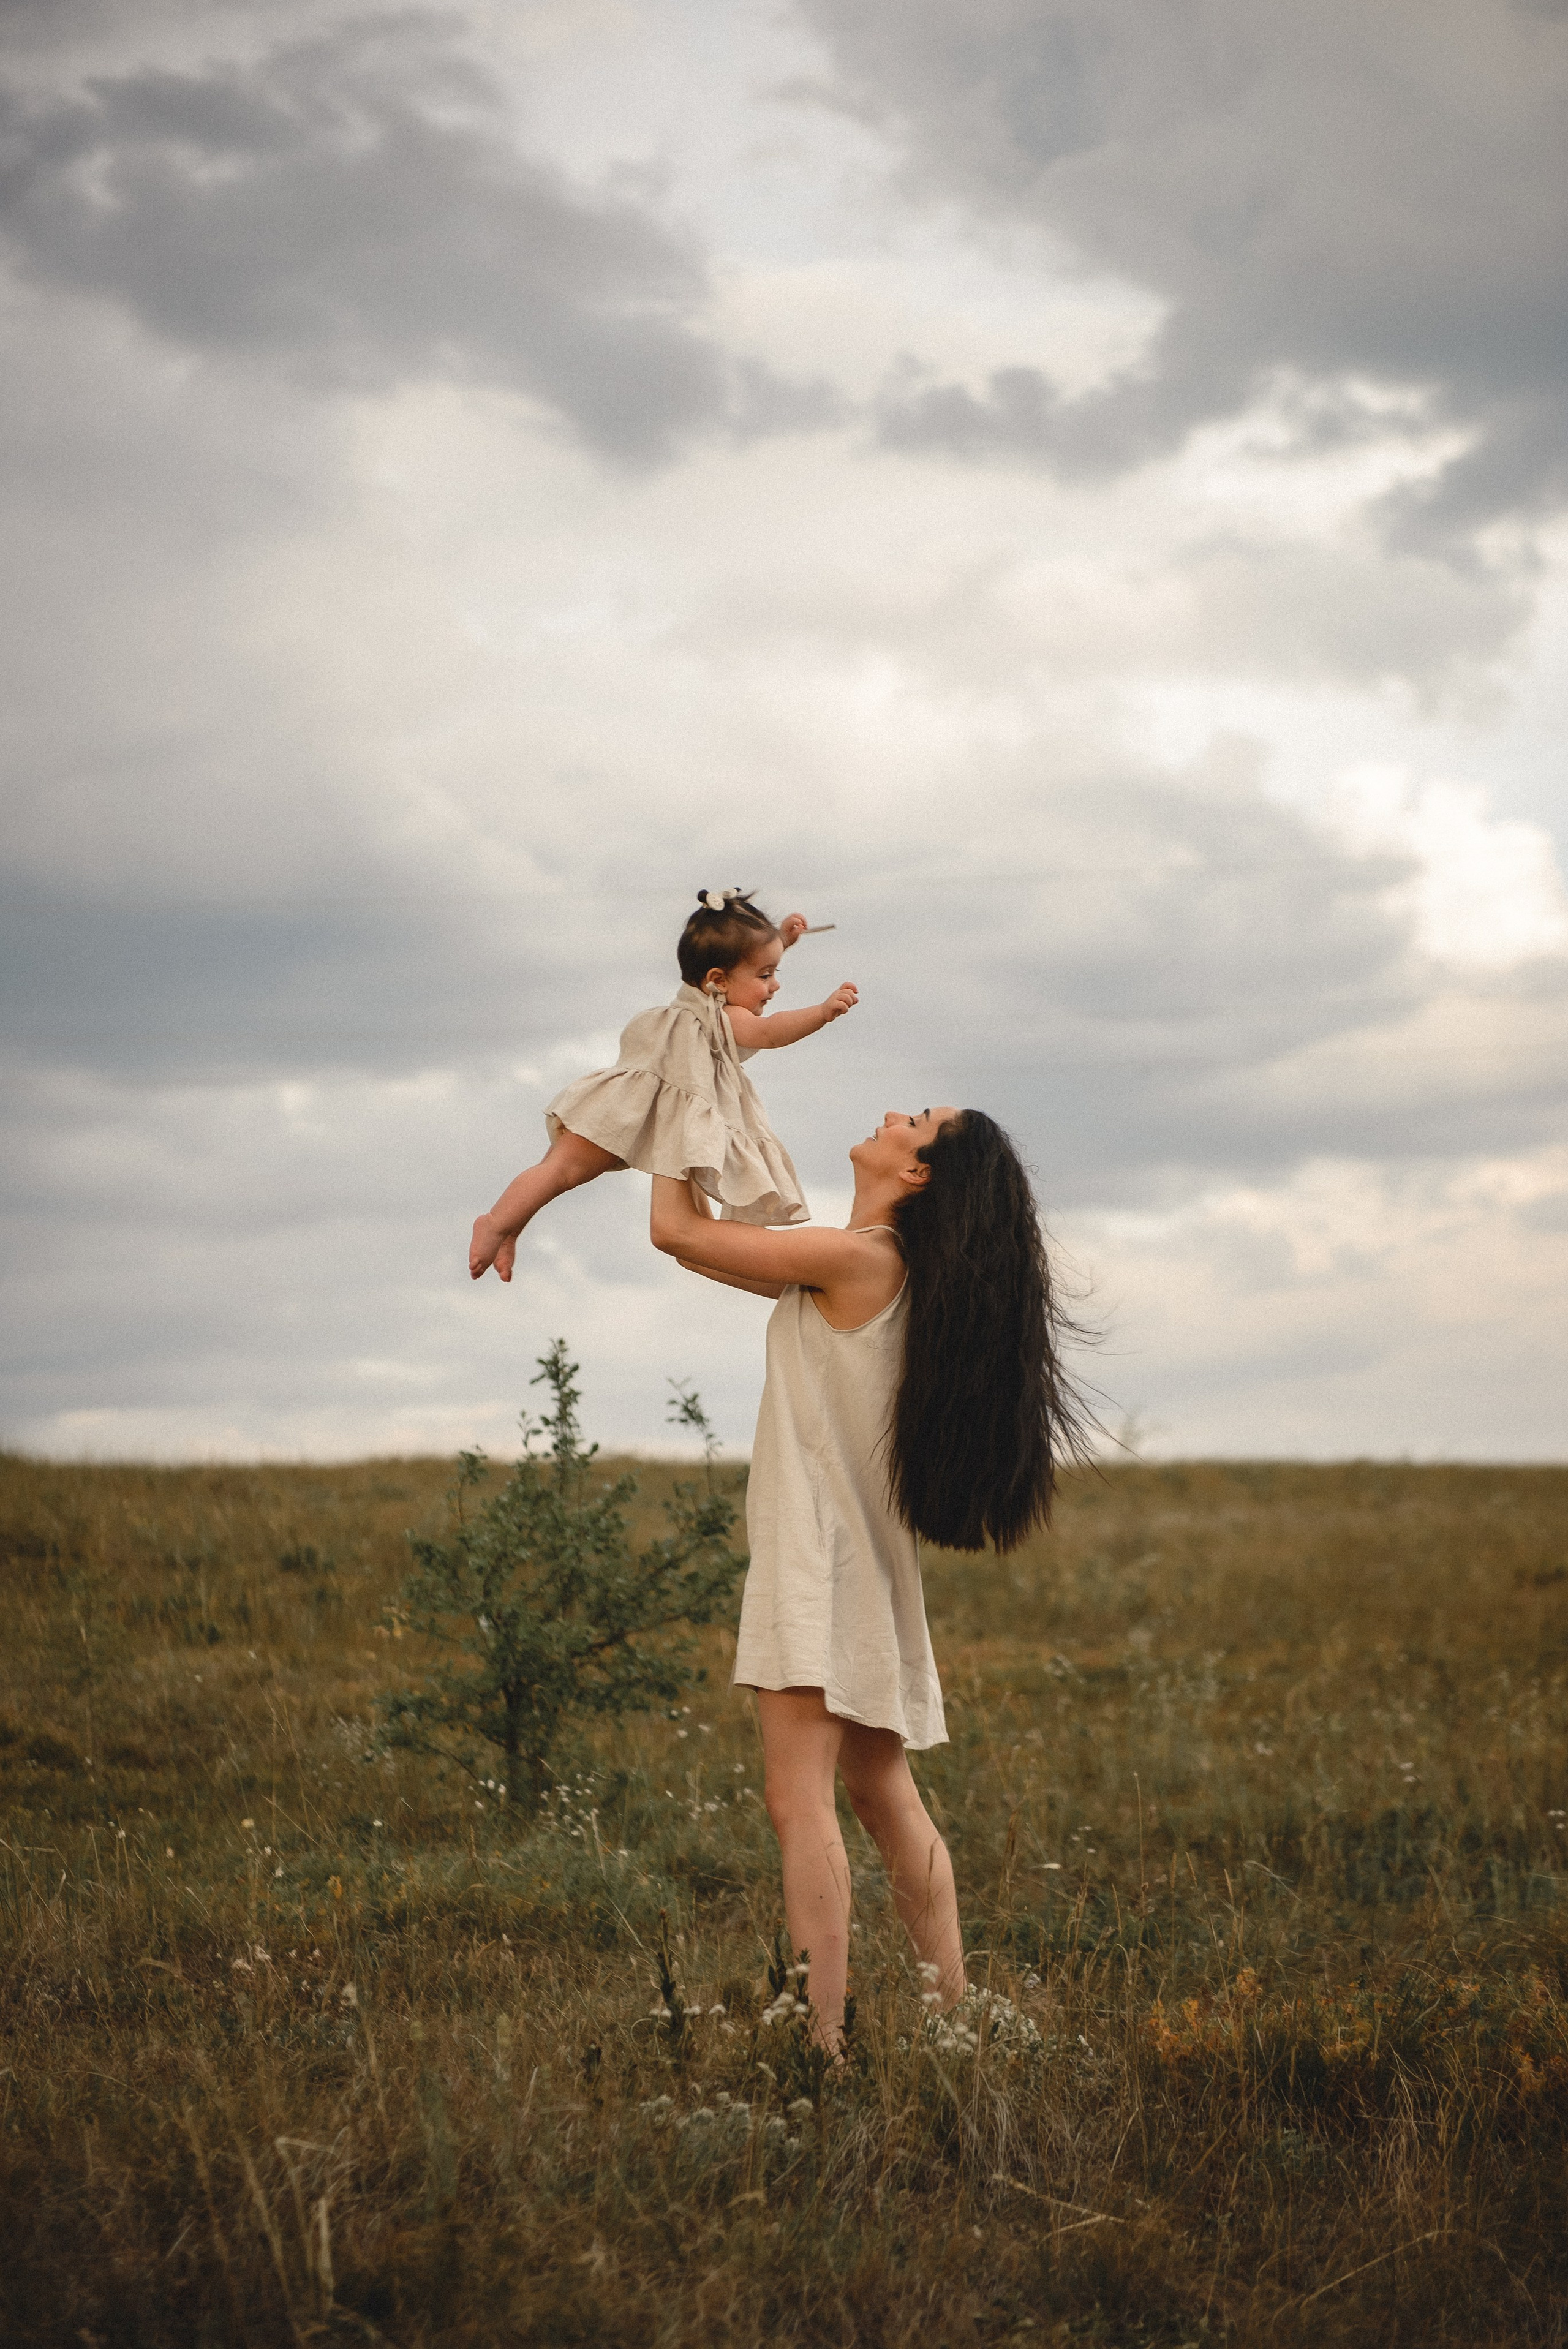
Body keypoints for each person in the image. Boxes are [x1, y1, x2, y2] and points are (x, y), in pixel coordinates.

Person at [649, 1107, 1088, 2053]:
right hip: (862, 1565)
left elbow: (674, 1228)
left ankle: (823, 2044)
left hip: (820, 1561)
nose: (895, 1114)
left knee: (797, 1797)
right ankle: (951, 2016)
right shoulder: (864, 1263)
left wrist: (679, 1104)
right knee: (881, 1793)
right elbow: (690, 1249)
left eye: (917, 1120)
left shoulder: (861, 1262)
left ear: (920, 1173)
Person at [470, 889, 856, 1282]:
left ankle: (506, 1224)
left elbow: (740, 963)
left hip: (627, 1105)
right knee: (562, 1173)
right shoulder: (723, 1016)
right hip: (640, 1108)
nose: (774, 987)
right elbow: (771, 1033)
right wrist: (821, 1013)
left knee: (560, 1172)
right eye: (766, 975)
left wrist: (782, 942)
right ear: (717, 980)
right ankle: (496, 1224)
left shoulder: (698, 1002)